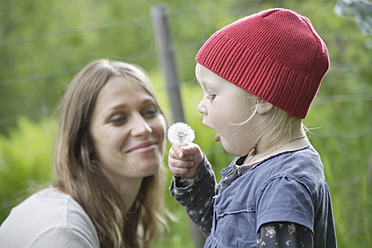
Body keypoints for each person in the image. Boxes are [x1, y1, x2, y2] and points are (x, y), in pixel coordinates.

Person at [168, 8, 337, 248]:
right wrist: (195, 179)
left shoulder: (283, 186)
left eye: (212, 94)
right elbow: (226, 232)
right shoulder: (260, 158)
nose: (201, 106)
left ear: (262, 99)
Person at [0, 59, 168, 248]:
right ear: (84, 141)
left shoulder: (124, 218)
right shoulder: (62, 232)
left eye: (150, 111)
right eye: (118, 119)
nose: (143, 128)